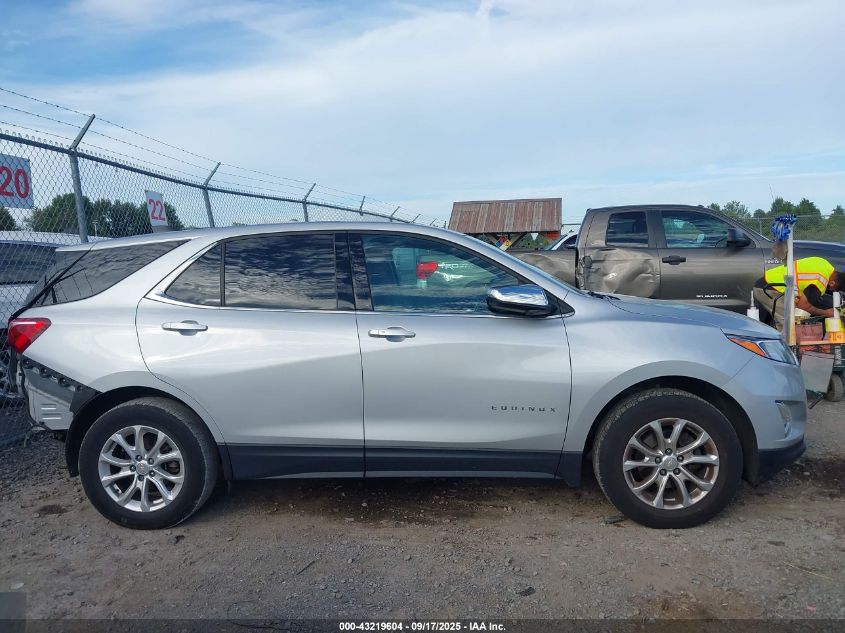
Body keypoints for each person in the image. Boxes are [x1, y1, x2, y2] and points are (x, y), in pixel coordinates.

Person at [753, 256, 841, 329]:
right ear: (832, 283)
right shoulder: (821, 281)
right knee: (789, 327)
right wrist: (826, 312)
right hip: (771, 288)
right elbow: (803, 306)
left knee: (788, 325)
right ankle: (782, 349)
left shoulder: (825, 264)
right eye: (833, 289)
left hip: (771, 283)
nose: (830, 290)